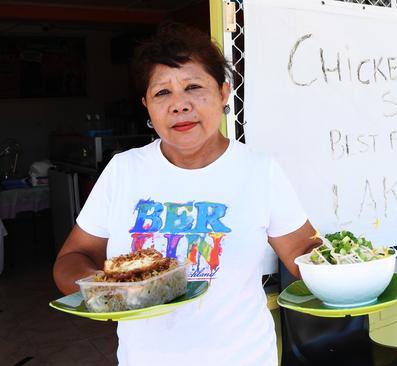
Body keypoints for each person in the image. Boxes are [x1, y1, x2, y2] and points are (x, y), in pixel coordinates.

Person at [53, 23, 319, 366]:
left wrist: (348, 267)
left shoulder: (259, 170)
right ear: (146, 105)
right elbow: (72, 257)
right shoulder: (124, 170)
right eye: (162, 93)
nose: (179, 105)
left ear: (224, 94)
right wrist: (101, 291)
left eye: (193, 87)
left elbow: (302, 251)